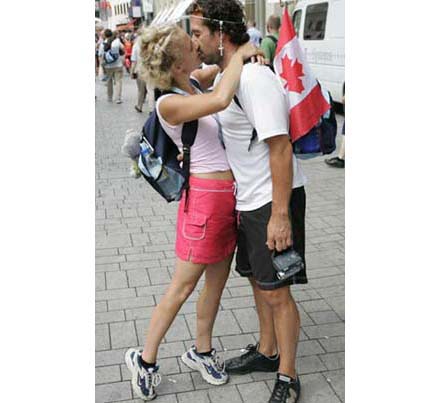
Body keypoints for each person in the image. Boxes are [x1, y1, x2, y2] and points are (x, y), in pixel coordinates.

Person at [123, 23, 262, 401]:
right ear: (175, 60)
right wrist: (247, 48)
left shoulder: (193, 82)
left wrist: (240, 54)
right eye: (190, 44)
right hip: (202, 200)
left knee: (215, 284)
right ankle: (146, 359)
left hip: (228, 197)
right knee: (182, 286)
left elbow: (219, 69)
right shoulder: (168, 102)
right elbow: (220, 99)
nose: (197, 46)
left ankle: (201, 351)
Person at [189, 1, 308, 402]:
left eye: (198, 33)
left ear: (220, 33)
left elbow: (280, 147)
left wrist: (279, 215)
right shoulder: (231, 74)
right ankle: (267, 351)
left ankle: (288, 377)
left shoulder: (254, 79)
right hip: (248, 198)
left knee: (278, 291)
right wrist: (236, 55)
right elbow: (196, 75)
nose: (194, 41)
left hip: (271, 199)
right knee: (259, 281)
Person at [102, 29, 125, 104]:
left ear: (105, 35)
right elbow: (123, 49)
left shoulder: (104, 42)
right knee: (118, 81)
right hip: (118, 64)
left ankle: (109, 97)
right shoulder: (117, 41)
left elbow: (102, 55)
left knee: (109, 81)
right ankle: (118, 98)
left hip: (108, 65)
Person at [130, 33, 147, 113]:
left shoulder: (136, 46)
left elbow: (134, 61)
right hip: (151, 69)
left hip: (140, 70)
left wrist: (132, 71)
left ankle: (139, 106)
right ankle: (152, 108)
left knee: (141, 89)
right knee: (151, 90)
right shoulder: (150, 44)